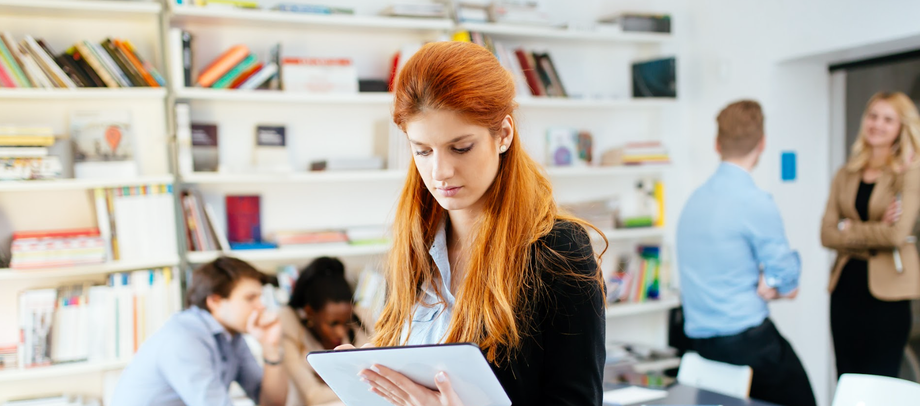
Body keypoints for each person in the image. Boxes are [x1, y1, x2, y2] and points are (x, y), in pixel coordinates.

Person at [336, 41, 607, 406]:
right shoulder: (415, 244)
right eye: (422, 151)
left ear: (504, 135)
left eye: (460, 147)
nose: (440, 172)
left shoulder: (557, 248)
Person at [676, 100, 816, 406]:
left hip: (702, 345)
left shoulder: (693, 202)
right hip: (747, 343)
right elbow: (788, 283)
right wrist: (775, 283)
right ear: (762, 143)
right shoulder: (754, 202)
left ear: (717, 144)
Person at [821, 92, 920, 377]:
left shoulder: (906, 174)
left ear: (900, 127)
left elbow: (897, 235)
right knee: (846, 376)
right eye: (873, 116)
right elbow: (826, 234)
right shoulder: (845, 173)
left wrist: (850, 229)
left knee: (880, 381)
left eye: (888, 119)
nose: (877, 124)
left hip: (888, 295)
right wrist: (875, 230)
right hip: (846, 289)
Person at [112, 257, 288, 406]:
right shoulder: (184, 338)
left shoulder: (232, 336)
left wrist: (270, 348)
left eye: (260, 297)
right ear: (215, 302)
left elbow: (271, 403)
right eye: (250, 298)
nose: (261, 306)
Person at [280, 257, 369, 406]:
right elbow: (313, 397)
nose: (341, 332)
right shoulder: (289, 328)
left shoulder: (361, 321)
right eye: (333, 323)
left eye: (346, 322)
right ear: (309, 312)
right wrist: (360, 383)